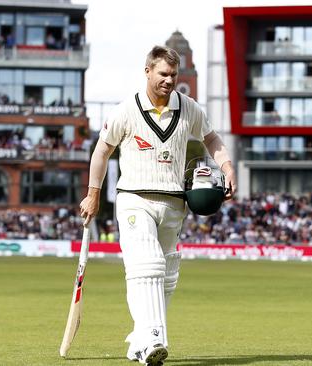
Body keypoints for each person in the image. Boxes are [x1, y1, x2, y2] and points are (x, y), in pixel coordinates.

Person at [79, 45, 236, 366]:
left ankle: (139, 339)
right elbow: (101, 152)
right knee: (146, 264)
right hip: (135, 197)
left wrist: (227, 167)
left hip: (174, 202)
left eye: (173, 75)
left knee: (165, 275)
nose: (169, 80)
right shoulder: (126, 110)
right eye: (163, 74)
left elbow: (212, 140)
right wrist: (93, 194)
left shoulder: (189, 108)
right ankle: (153, 339)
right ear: (147, 71)